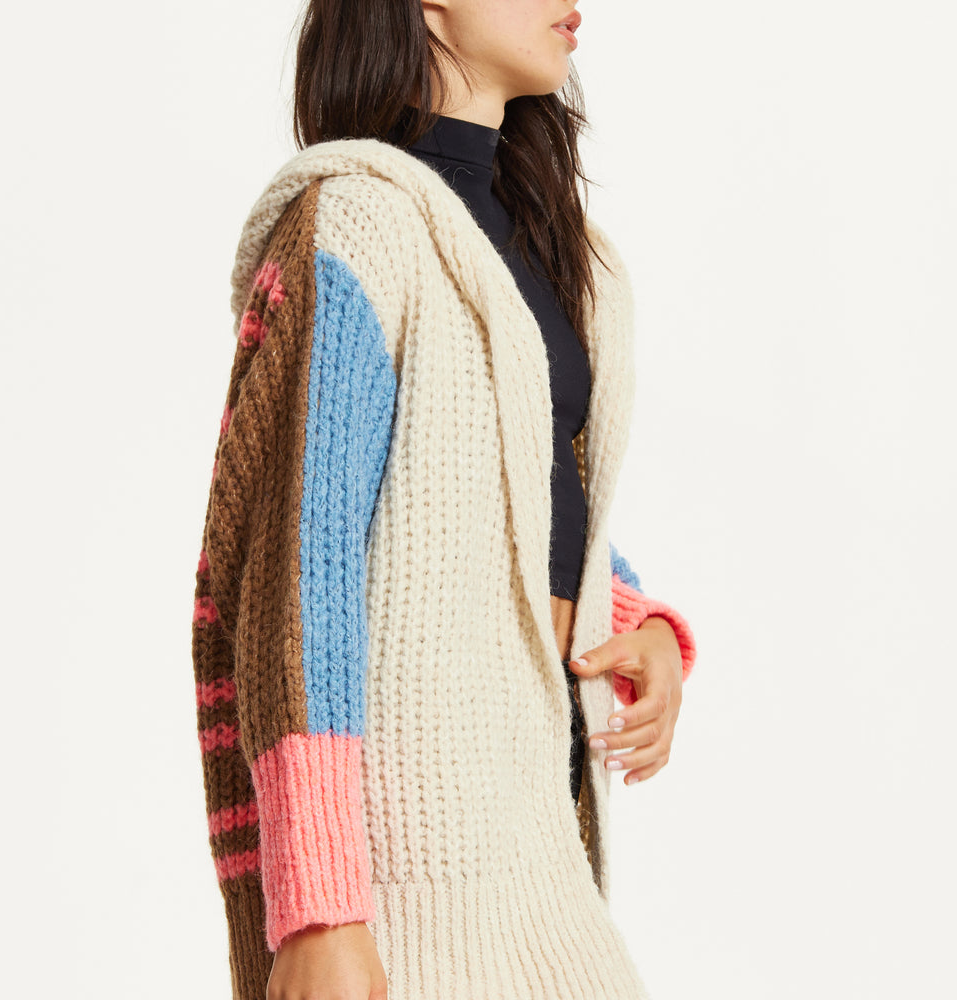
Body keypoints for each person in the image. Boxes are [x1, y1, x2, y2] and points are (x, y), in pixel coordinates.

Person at [191, 2, 698, 998]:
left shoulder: (561, 250)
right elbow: (300, 568)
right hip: (399, 855)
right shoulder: (356, 222)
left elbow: (491, 499)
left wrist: (633, 619)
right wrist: (321, 905)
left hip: (530, 816)